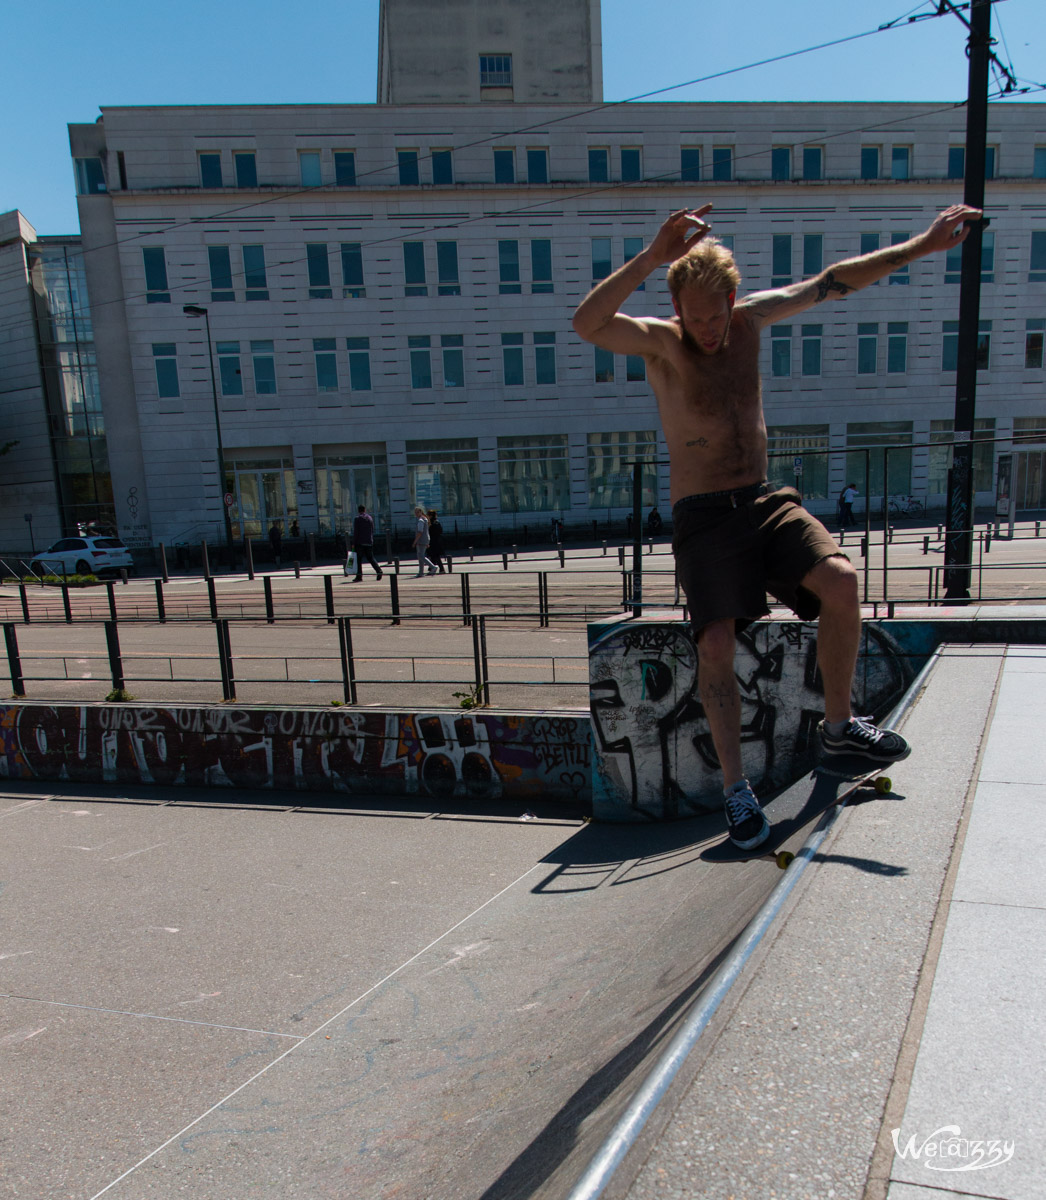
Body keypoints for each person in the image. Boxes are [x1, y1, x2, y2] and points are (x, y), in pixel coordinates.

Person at [573, 201, 980, 849]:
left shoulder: (752, 320)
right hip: (703, 520)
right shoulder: (661, 342)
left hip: (763, 502)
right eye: (695, 318)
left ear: (733, 299)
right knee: (714, 647)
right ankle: (738, 793)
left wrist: (922, 247)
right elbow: (587, 322)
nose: (708, 330)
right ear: (678, 309)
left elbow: (832, 280)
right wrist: (652, 258)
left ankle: (841, 729)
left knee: (841, 582)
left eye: (716, 316)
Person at [350, 504, 383, 581]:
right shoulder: (370, 518)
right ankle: (379, 570)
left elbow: (356, 532)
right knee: (371, 558)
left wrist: (353, 543)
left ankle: (359, 576)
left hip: (360, 542)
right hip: (369, 541)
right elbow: (372, 529)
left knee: (359, 560)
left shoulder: (357, 519)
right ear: (365, 510)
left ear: (358, 511)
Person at [412, 506, 438, 576]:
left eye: (418, 512)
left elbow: (420, 532)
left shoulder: (421, 520)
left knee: (421, 556)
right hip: (425, 539)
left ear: (421, 512)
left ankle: (433, 567)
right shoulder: (425, 519)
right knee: (420, 556)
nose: (416, 513)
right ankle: (421, 572)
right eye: (415, 512)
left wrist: (415, 542)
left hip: (421, 540)